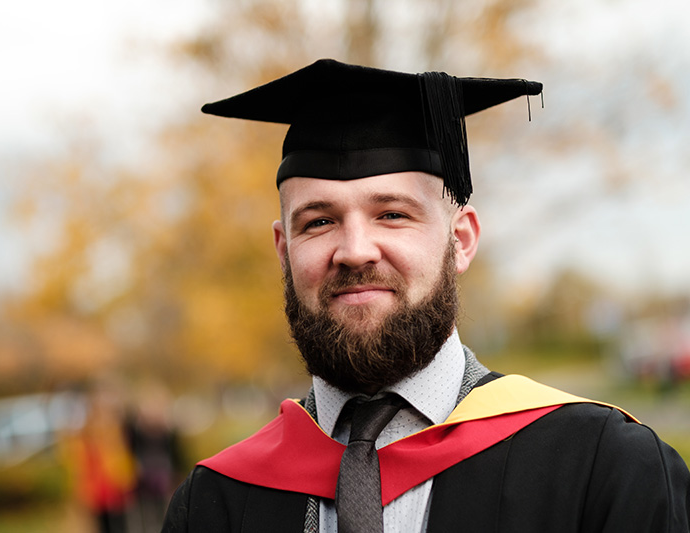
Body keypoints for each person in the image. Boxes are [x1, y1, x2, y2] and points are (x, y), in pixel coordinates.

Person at [161, 59, 690, 532]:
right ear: (284, 250)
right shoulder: (215, 505)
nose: (354, 250)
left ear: (459, 241)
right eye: (319, 221)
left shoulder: (606, 470)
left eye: (392, 214)